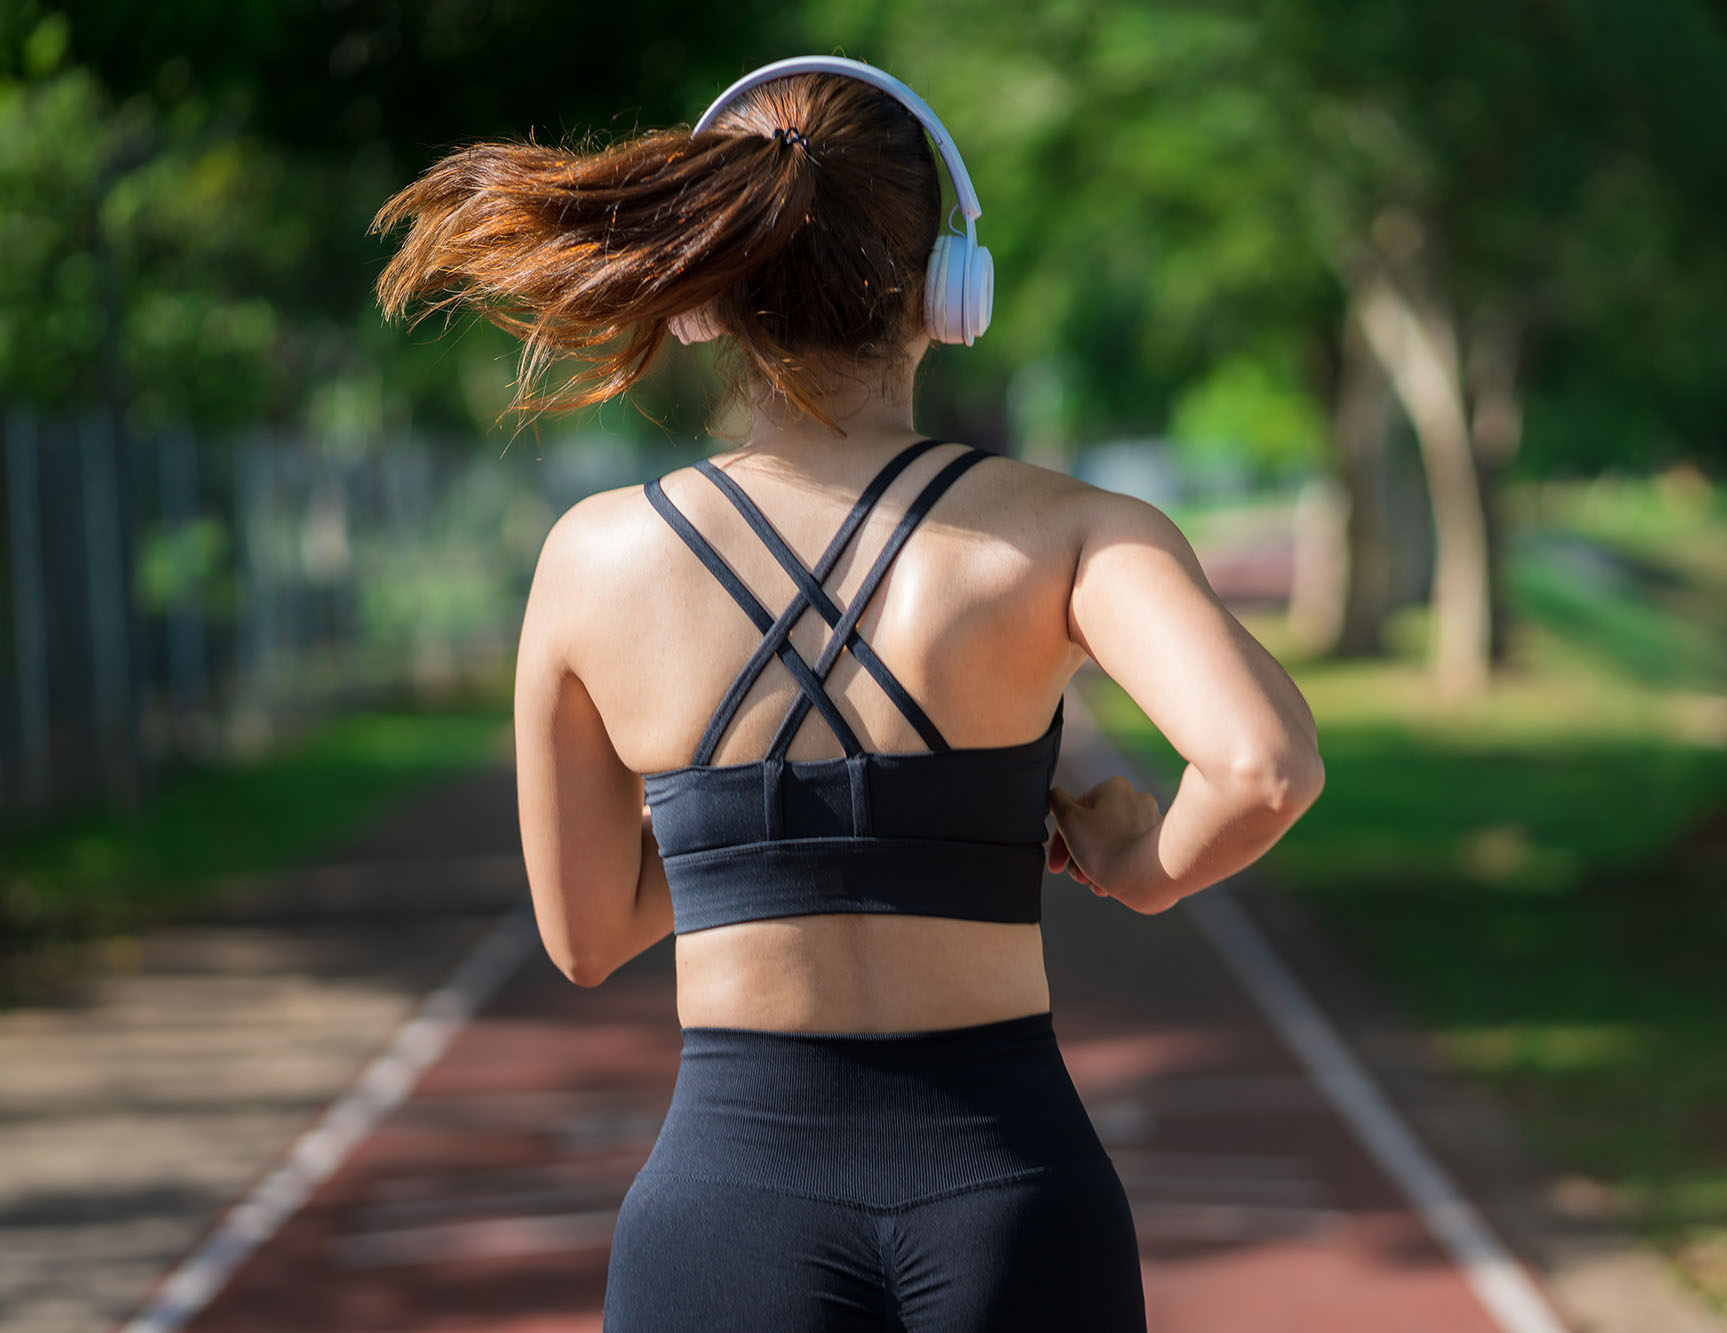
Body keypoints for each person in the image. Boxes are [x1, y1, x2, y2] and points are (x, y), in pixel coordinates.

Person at [372, 53, 1323, 1333]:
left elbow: (587, 935)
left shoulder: (591, 563)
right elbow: (1263, 766)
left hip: (725, 1212)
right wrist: (1141, 858)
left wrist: (740, 827)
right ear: (950, 285)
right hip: (1015, 1196)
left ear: (706, 296)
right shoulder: (1072, 531)